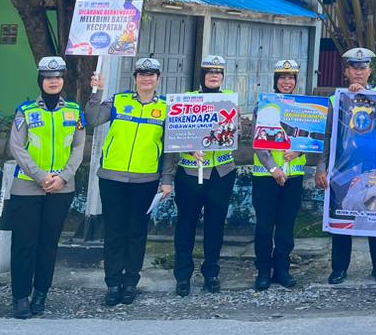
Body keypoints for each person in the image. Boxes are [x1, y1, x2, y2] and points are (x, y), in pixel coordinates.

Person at [86, 58, 175, 306]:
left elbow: (170, 149)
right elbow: (92, 119)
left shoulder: (167, 108)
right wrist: (97, 92)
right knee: (114, 231)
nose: (146, 78)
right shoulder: (118, 100)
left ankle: (130, 282)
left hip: (146, 179)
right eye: (142, 74)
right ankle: (113, 283)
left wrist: (167, 179)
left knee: (137, 232)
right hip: (112, 177)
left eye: (151, 74)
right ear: (135, 78)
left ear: (158, 79)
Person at [6, 56, 85, 318]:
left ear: (63, 80)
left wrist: (64, 177)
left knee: (48, 244)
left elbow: (78, 147)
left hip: (61, 187)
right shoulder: (26, 111)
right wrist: (41, 176)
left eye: (58, 77)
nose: (53, 81)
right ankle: (20, 296)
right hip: (27, 186)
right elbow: (17, 147)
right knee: (24, 244)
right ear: (41, 80)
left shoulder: (74, 111)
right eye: (48, 77)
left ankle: (41, 293)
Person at [316, 47, 376, 284]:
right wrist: (321, 167)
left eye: (363, 67)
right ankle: (339, 268)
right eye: (354, 68)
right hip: (343, 167)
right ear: (346, 72)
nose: (358, 72)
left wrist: (367, 95)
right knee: (341, 216)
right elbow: (327, 135)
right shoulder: (336, 98)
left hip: (373, 165)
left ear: (370, 71)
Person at [172, 54, 237, 296]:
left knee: (215, 225)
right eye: (209, 72)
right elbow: (175, 133)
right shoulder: (187, 99)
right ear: (202, 75)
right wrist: (190, 146)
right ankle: (183, 276)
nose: (214, 76)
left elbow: (236, 132)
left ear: (223, 76)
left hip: (222, 172)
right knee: (186, 224)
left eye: (218, 72)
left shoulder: (230, 100)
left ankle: (211, 272)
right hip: (191, 172)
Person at [251, 59, 307, 291]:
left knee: (286, 226)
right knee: (264, 227)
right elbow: (258, 142)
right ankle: (263, 270)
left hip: (293, 176)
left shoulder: (303, 106)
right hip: (266, 176)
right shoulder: (265, 106)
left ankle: (282, 269)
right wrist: (274, 169)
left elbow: (311, 137)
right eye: (282, 77)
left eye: (291, 78)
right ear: (276, 80)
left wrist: (299, 151)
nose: (287, 82)